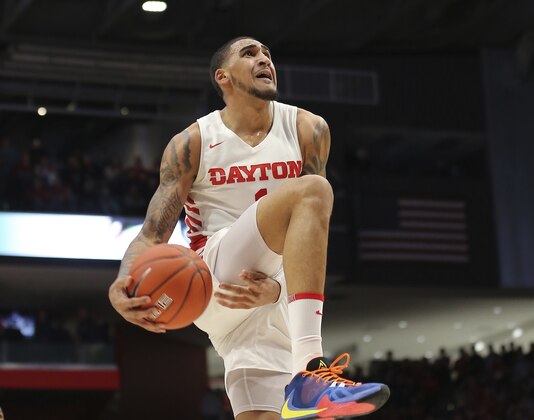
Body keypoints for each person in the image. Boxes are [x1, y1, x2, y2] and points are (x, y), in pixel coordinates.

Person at [109, 36, 389, 420]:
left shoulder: (309, 129)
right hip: (214, 279)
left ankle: (303, 380)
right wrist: (120, 283)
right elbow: (151, 234)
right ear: (222, 77)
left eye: (268, 54)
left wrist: (276, 291)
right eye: (250, 53)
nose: (264, 59)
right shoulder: (193, 141)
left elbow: (310, 236)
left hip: (274, 295)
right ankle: (311, 371)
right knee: (312, 190)